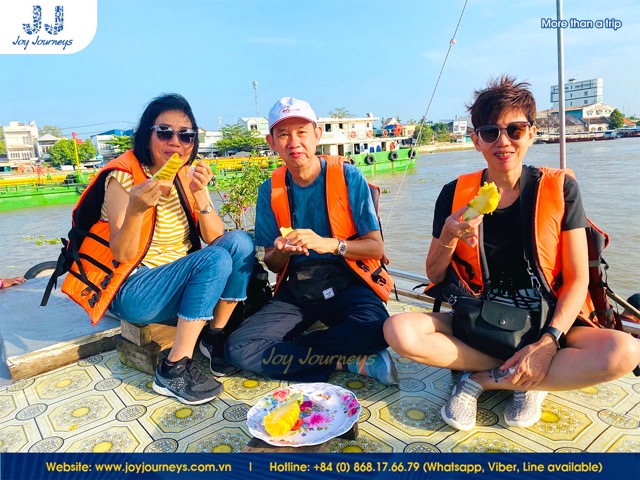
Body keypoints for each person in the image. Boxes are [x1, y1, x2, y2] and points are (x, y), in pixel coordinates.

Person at [384, 76, 640, 431]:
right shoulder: (455, 193)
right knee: (399, 330)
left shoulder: (560, 187)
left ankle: (485, 379)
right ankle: (526, 371)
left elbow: (579, 277)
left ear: (532, 134)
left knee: (626, 351)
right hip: (480, 319)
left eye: (515, 130)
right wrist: (448, 234)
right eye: (490, 132)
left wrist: (549, 342)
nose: (503, 141)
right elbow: (435, 274)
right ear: (476, 140)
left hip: (545, 320)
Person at [58, 94, 254, 404]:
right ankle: (173, 369)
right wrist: (136, 208)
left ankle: (213, 337)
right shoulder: (123, 178)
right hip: (133, 287)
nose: (176, 142)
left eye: (186, 135)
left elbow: (217, 237)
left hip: (179, 281)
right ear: (147, 135)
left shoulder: (184, 175)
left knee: (241, 242)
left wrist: (201, 194)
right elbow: (122, 254)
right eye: (165, 132)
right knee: (214, 258)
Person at [225, 97, 397, 384]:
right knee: (238, 348)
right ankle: (345, 362)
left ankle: (299, 351)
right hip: (298, 289)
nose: (294, 142)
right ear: (272, 142)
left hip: (348, 281)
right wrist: (283, 251)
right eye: (283, 134)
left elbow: (375, 248)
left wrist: (331, 244)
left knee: (378, 329)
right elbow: (274, 265)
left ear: (317, 134)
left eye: (302, 132)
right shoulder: (270, 190)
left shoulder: (348, 176)